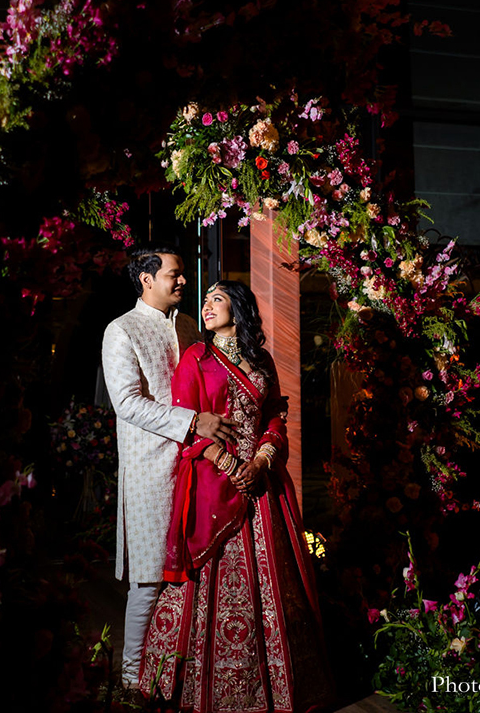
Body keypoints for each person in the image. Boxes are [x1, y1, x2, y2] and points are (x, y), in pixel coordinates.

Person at [139, 279, 333, 713]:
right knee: (209, 583)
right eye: (205, 300)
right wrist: (228, 465)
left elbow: (274, 417)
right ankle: (200, 689)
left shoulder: (261, 359)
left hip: (263, 484)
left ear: (238, 307)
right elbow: (183, 422)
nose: (207, 306)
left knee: (275, 586)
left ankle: (278, 690)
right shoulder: (197, 358)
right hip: (213, 481)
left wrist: (261, 462)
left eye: (218, 299)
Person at [101, 246, 236, 688]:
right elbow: (127, 403)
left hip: (197, 463)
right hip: (150, 469)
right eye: (174, 275)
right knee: (148, 577)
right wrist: (193, 421)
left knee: (194, 570)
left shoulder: (187, 328)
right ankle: (131, 680)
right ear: (146, 279)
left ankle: (181, 676)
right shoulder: (121, 330)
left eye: (181, 275)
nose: (182, 282)